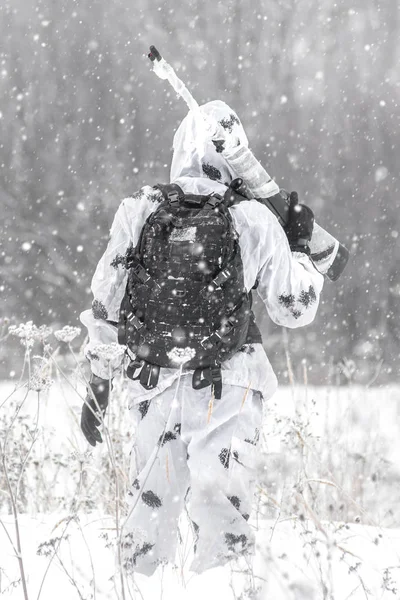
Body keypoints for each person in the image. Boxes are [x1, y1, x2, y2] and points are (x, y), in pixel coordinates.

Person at [79, 100, 324, 577]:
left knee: (149, 513)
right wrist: (299, 247)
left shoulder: (141, 207)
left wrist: (98, 383)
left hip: (152, 380)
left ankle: (138, 585)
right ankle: (224, 584)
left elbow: (106, 300)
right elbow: (294, 309)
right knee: (222, 508)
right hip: (229, 381)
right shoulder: (253, 217)